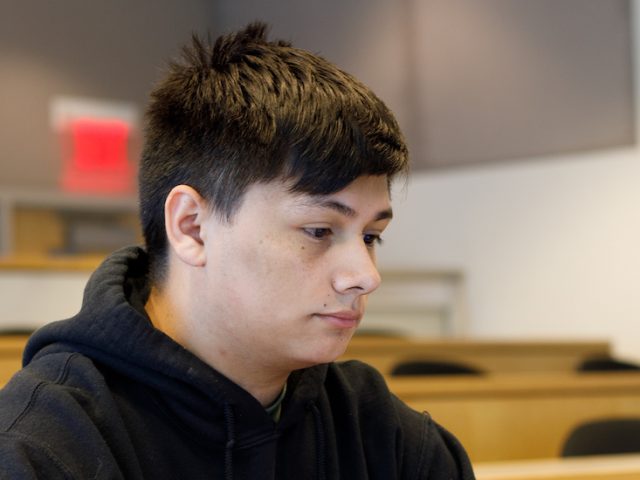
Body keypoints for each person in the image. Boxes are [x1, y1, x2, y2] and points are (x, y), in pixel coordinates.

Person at [0, 23, 474, 479]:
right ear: (192, 227)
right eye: (318, 230)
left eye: (371, 236)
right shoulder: (42, 448)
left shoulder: (388, 438)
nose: (366, 277)